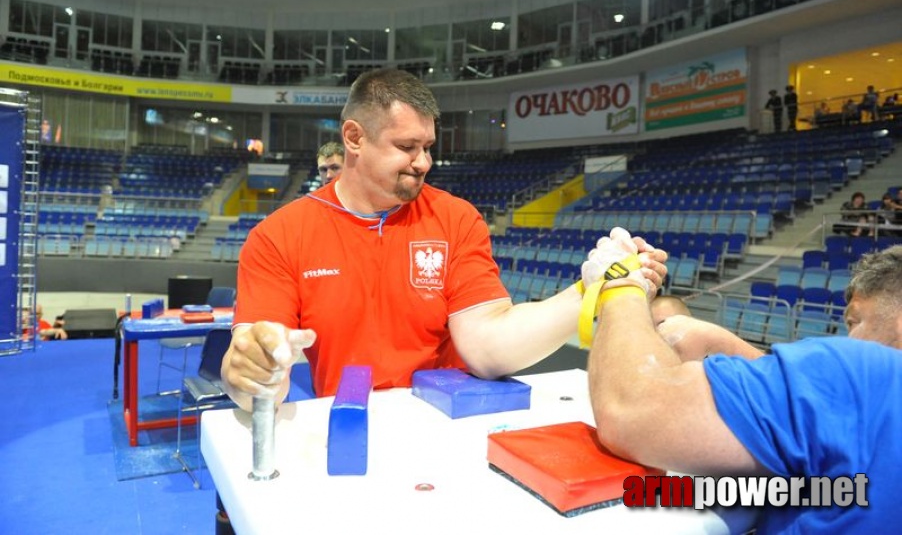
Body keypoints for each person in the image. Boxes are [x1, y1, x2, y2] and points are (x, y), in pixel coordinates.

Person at [220, 68, 668, 409]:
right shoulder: (277, 237)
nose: (423, 162)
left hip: (448, 425)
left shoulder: (455, 219)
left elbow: (487, 346)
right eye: (406, 147)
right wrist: (249, 373)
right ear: (354, 138)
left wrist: (592, 289)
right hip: (348, 428)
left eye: (428, 147)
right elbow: (259, 372)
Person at [587, 233, 902, 532]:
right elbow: (817, 417)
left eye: (854, 321)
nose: (848, 338)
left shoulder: (860, 372)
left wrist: (620, 285)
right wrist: (726, 344)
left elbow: (632, 407)